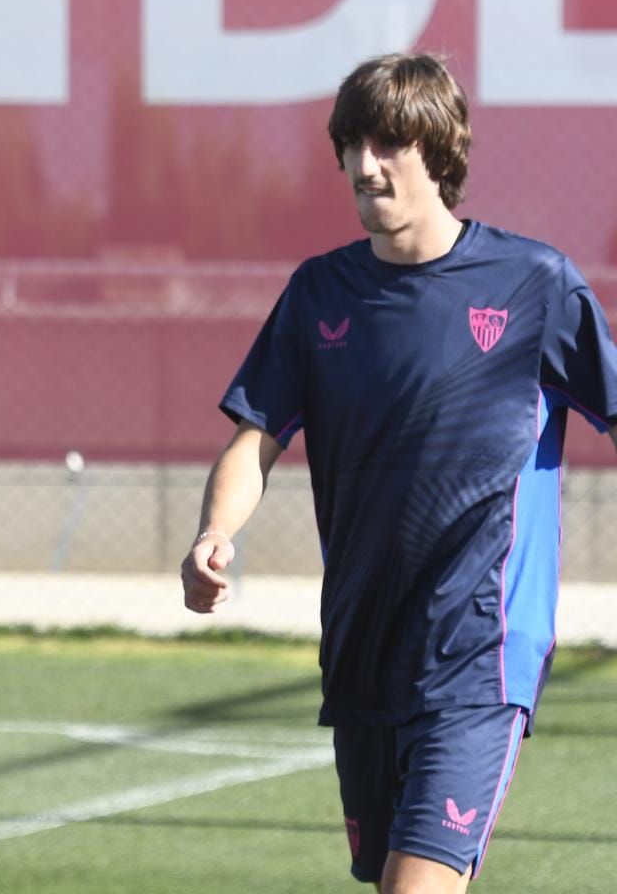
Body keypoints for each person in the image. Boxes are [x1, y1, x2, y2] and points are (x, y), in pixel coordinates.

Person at [181, 52, 617, 893]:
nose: (363, 164)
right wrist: (214, 532)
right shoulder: (319, 294)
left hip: (480, 654)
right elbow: (255, 439)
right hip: (362, 653)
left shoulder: (534, 285)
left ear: (438, 152)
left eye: (387, 142)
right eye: (351, 143)